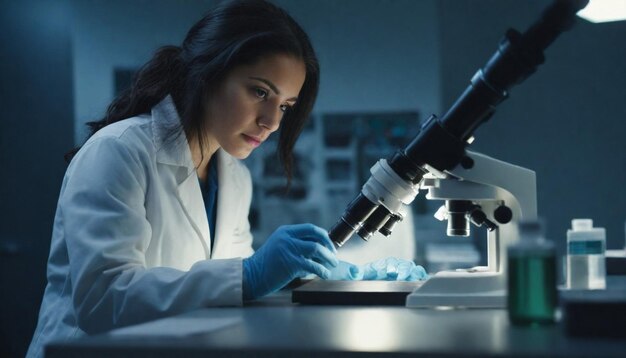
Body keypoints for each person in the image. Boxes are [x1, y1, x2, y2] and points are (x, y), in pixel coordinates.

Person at [27, 1, 425, 356]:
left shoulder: (233, 177)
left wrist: (328, 282)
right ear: (208, 74)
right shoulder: (118, 151)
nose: (271, 122)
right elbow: (101, 301)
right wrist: (251, 274)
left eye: (285, 106)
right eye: (258, 92)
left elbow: (230, 292)